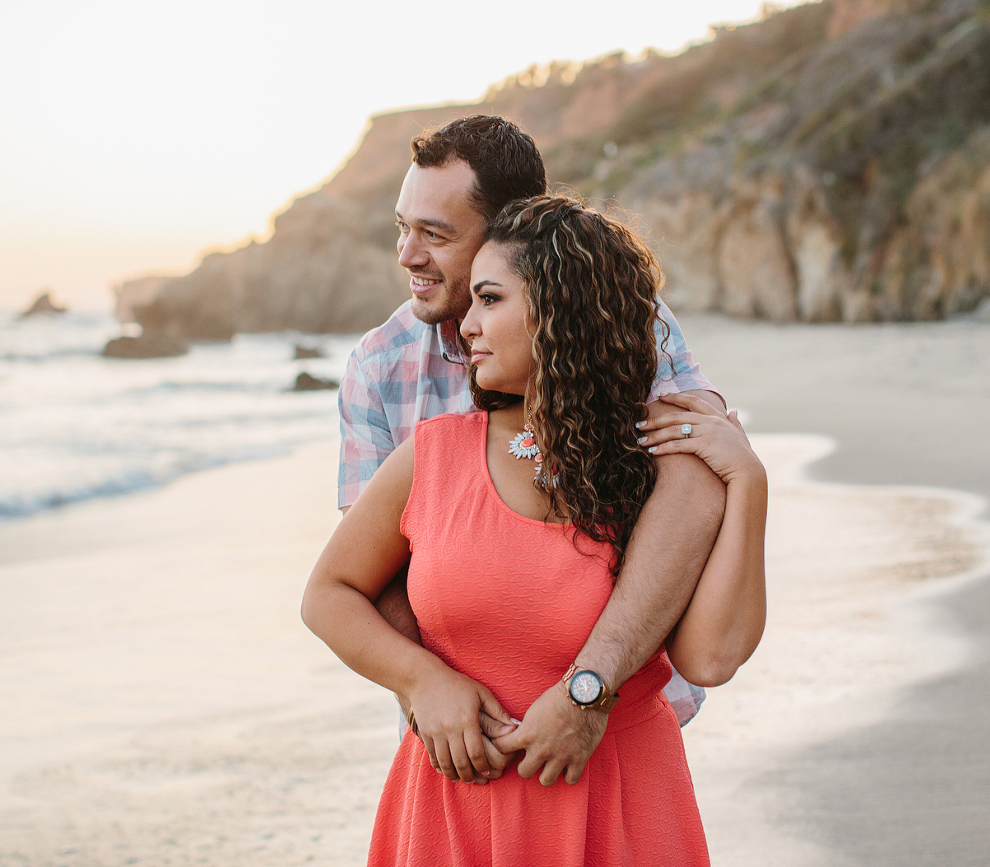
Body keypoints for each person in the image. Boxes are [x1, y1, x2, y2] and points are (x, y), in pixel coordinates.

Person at [303, 196, 767, 865]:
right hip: (453, 812)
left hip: (618, 808)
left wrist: (747, 483)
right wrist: (421, 679)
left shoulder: (664, 470)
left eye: (490, 299)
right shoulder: (430, 457)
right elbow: (327, 592)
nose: (466, 326)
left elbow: (711, 659)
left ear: (560, 313)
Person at [337, 116, 728, 772]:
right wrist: (429, 686)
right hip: (465, 746)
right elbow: (369, 567)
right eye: (401, 227)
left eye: (434, 233)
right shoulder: (378, 365)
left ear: (510, 233)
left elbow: (689, 488)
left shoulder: (618, 320)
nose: (406, 254)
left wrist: (586, 692)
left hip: (618, 721)